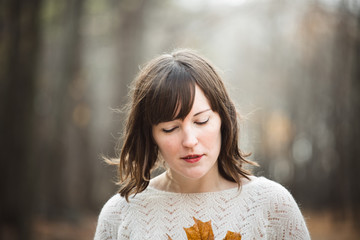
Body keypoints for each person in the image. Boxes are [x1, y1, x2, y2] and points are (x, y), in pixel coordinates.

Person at [94, 49, 310, 239]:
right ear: (150, 135)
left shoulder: (272, 205)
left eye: (201, 121)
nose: (189, 141)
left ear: (224, 120)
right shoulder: (119, 214)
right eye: (170, 128)